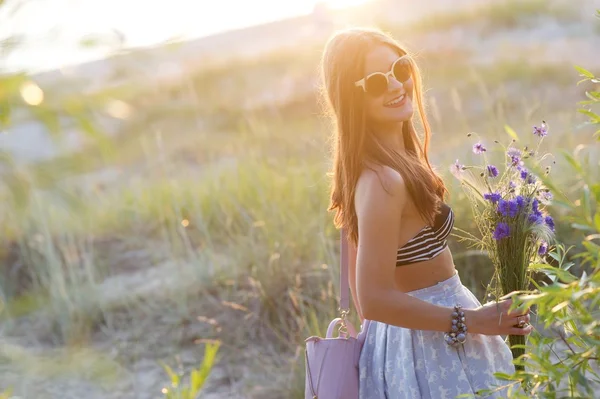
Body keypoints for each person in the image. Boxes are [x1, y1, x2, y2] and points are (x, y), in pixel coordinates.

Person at [319, 27, 532, 398]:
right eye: (374, 82)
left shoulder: (385, 164)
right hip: (433, 346)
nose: (395, 85)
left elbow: (361, 285)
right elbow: (371, 298)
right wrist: (473, 321)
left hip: (418, 339)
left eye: (400, 68)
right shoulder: (383, 180)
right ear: (351, 99)